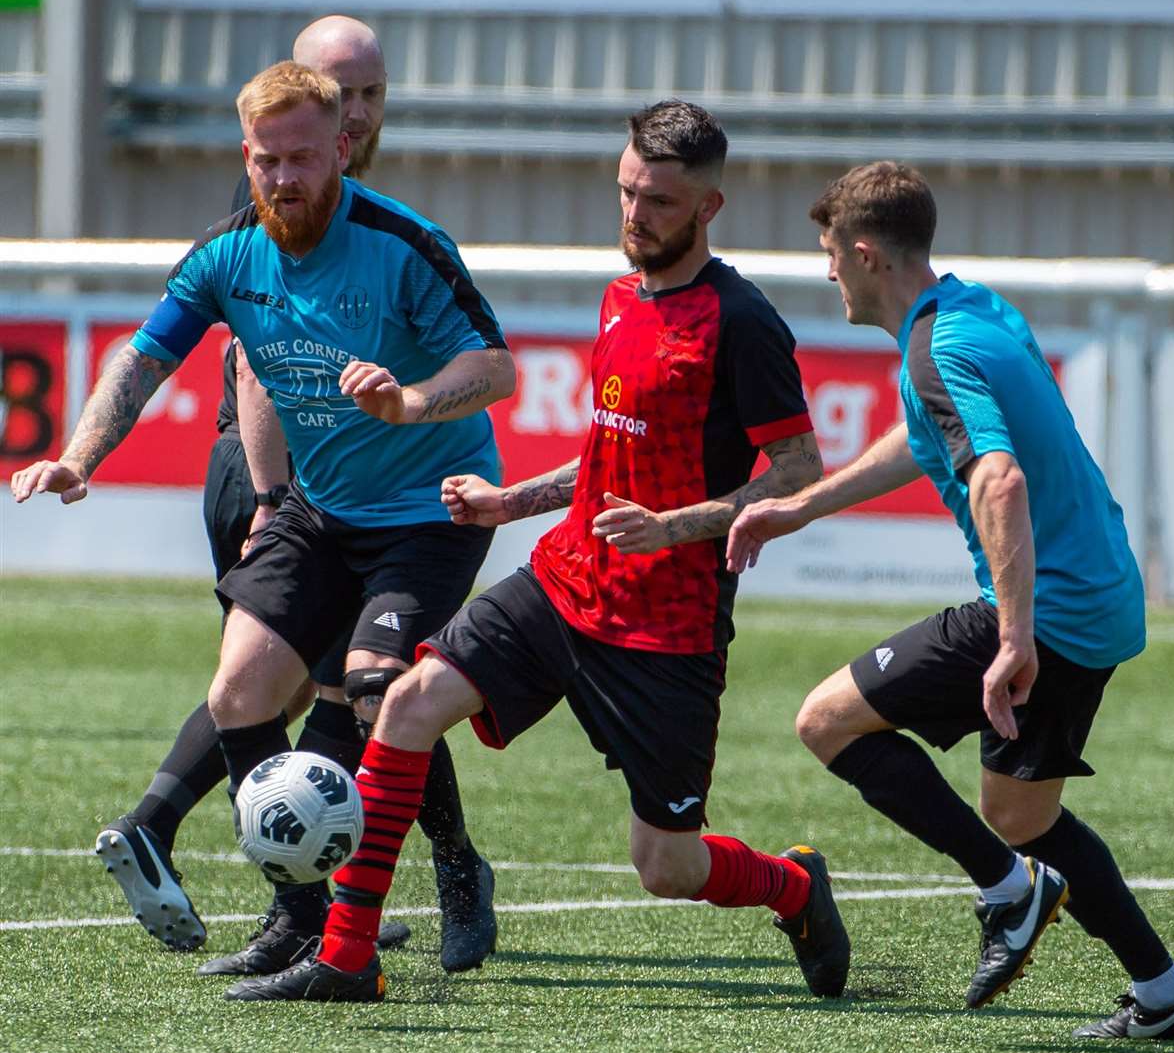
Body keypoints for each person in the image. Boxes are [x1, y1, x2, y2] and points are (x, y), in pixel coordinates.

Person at [223, 99, 850, 1005]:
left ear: (709, 209)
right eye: (628, 193)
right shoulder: (623, 294)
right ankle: (347, 957)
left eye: (661, 204)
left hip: (663, 629)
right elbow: (609, 448)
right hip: (565, 581)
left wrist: (671, 528)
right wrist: (509, 502)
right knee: (403, 706)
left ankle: (792, 887)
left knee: (665, 866)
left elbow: (796, 469)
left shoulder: (740, 321)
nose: (636, 216)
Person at [10, 60, 514, 979]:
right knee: (240, 693)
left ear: (342, 149)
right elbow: (144, 357)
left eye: (302, 159)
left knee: (374, 689)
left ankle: (442, 877)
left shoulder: (404, 242)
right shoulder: (228, 253)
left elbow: (493, 367)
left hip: (431, 510)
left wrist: (408, 402)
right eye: (266, 161)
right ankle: (297, 917)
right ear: (246, 156)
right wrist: (80, 457)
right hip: (319, 508)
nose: (284, 179)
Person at [724, 161, 1174, 1041]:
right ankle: (1162, 991)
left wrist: (1014, 635)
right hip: (1093, 595)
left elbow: (999, 477)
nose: (828, 271)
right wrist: (801, 504)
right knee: (1018, 814)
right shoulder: (970, 308)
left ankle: (1012, 893)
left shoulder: (933, 348)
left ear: (866, 253)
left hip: (1051, 611)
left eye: (832, 253)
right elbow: (925, 440)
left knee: (829, 723)